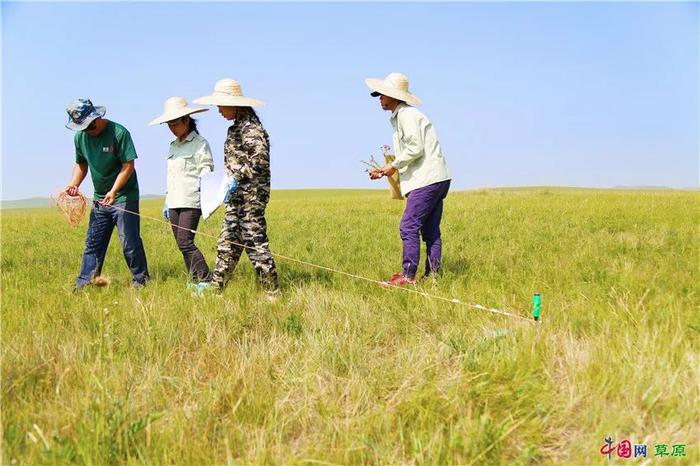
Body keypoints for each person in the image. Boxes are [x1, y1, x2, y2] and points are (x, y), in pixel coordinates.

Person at [193, 79, 279, 297]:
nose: (219, 110)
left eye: (221, 105)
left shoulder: (251, 128)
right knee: (227, 242)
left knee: (255, 242)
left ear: (235, 104)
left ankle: (272, 293)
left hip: (251, 198)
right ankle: (216, 288)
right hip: (235, 197)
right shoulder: (235, 129)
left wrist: (236, 176)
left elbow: (260, 159)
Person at [365, 73, 451, 286]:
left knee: (408, 226)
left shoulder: (406, 115)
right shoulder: (404, 116)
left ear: (394, 96)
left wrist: (392, 166)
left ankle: (408, 276)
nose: (379, 98)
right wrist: (390, 169)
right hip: (437, 177)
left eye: (383, 94)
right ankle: (432, 278)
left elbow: (415, 147)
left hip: (426, 179)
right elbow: (414, 150)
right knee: (430, 230)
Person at [64, 98, 149, 289]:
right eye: (84, 128)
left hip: (124, 197)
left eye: (91, 126)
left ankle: (140, 280)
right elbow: (81, 164)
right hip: (100, 199)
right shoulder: (80, 138)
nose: (89, 130)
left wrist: (114, 191)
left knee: (129, 241)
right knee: (93, 242)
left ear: (97, 117)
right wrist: (74, 184)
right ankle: (85, 284)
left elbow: (128, 166)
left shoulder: (119, 132)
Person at [149, 97, 214, 282]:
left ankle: (205, 279)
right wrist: (167, 201)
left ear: (186, 119)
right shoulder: (173, 146)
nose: (172, 128)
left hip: (191, 200)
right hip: (174, 201)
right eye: (169, 124)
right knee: (181, 244)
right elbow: (173, 177)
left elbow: (206, 167)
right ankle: (195, 281)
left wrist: (204, 179)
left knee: (186, 242)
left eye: (175, 123)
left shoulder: (200, 143)